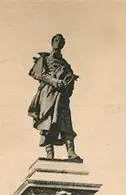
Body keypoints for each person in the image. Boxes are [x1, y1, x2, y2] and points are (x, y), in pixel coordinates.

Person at [28, 34, 83, 162]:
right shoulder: (44, 59)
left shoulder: (65, 64)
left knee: (65, 123)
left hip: (61, 96)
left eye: (61, 42)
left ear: (63, 45)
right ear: (52, 42)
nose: (58, 43)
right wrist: (54, 81)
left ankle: (71, 152)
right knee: (47, 123)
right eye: (56, 40)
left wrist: (67, 83)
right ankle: (49, 154)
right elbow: (40, 74)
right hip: (48, 94)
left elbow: (70, 79)